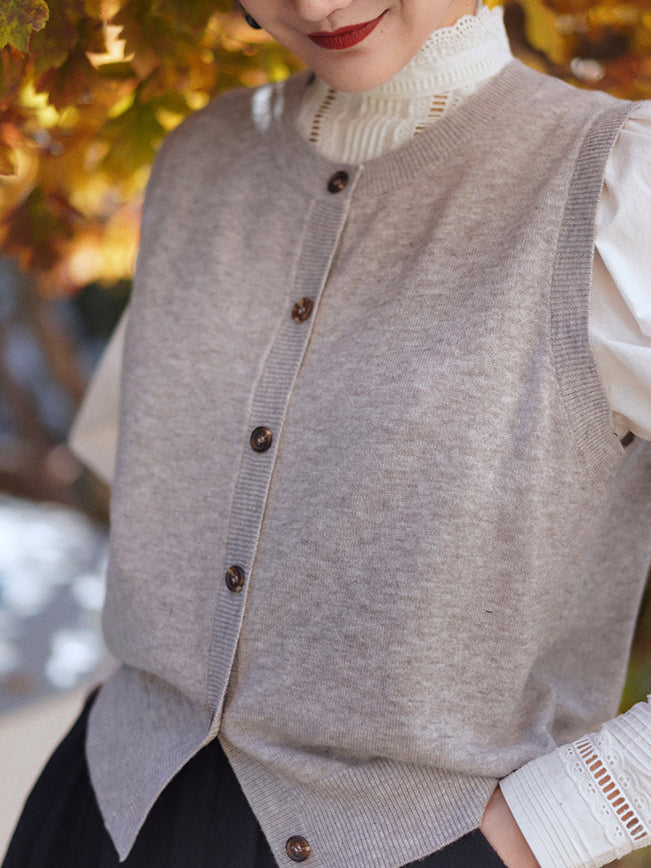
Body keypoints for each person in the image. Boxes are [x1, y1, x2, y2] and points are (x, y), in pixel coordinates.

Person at [4, 1, 651, 866]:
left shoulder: (615, 184)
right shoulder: (197, 159)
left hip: (435, 842)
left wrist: (553, 823)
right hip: (101, 813)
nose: (314, 4)